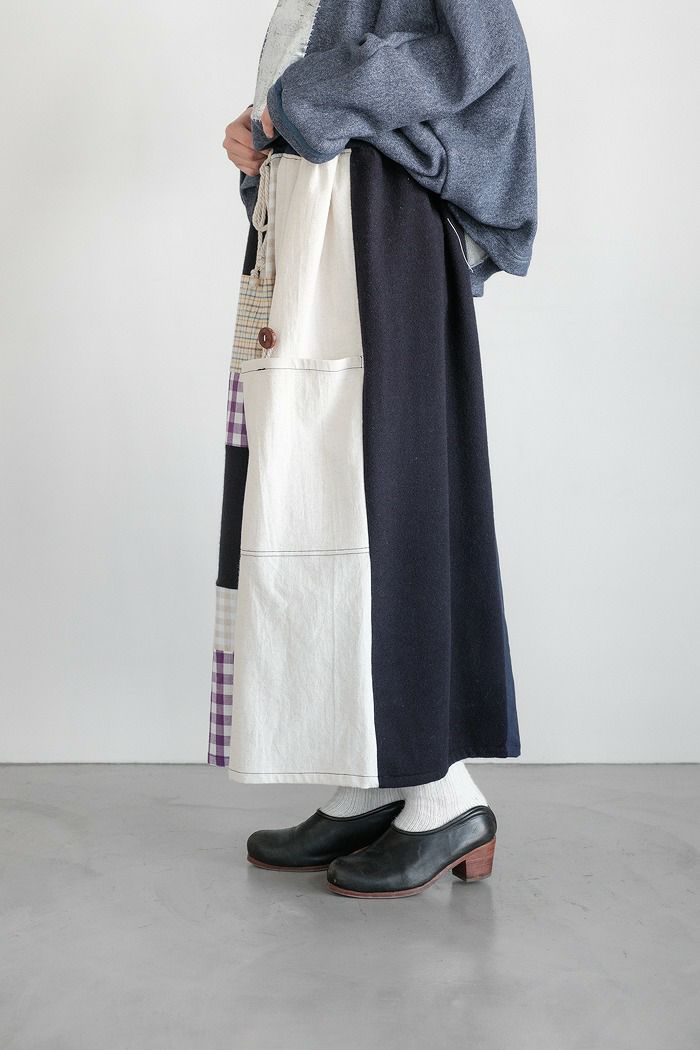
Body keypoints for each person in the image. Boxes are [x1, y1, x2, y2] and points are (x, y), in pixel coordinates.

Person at [209, 0, 537, 899]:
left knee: (385, 501)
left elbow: (478, 53)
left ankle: (444, 795)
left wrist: (293, 105)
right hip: (317, 234)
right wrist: (260, 136)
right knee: (315, 503)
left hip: (375, 235)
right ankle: (376, 773)